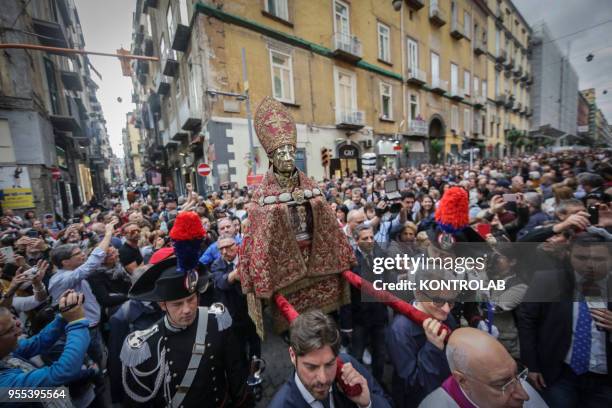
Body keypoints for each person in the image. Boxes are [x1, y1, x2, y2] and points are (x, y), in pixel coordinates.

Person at [121, 256, 253, 407]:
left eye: (191, 299)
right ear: (163, 305)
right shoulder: (146, 345)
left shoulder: (216, 321)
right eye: (177, 304)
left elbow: (236, 373)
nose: (187, 310)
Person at [517, 232, 612, 408]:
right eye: (581, 258)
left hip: (605, 381)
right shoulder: (548, 280)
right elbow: (527, 321)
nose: (590, 265)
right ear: (569, 255)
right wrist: (531, 365)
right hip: (559, 374)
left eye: (599, 259)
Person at [269, 310, 392, 408]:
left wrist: (367, 404)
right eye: (311, 367)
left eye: (329, 364)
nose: (323, 378)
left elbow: (387, 402)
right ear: (292, 355)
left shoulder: (348, 365)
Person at [386, 268, 460, 408]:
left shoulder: (446, 317)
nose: (447, 309)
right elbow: (413, 385)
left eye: (451, 302)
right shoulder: (400, 330)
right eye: (438, 301)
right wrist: (432, 348)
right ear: (420, 294)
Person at [419, 327, 547, 408]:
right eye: (502, 384)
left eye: (518, 374)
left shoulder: (514, 382)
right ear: (463, 381)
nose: (524, 395)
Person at [48, 220, 117, 367]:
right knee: (94, 364)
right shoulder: (63, 279)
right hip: (85, 328)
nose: (83, 255)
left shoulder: (72, 271)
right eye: (78, 254)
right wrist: (108, 234)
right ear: (65, 262)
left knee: (100, 356)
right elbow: (94, 260)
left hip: (93, 324)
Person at [0, 290, 90, 401]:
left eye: (13, 319)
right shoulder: (4, 389)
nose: (18, 323)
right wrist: (77, 322)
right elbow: (62, 372)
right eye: (10, 328)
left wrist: (63, 315)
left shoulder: (6, 352)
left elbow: (38, 341)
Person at [340, 224, 388, 385]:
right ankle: (356, 386)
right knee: (357, 355)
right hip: (359, 319)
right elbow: (345, 294)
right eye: (365, 238)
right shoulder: (350, 262)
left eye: (371, 237)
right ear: (356, 240)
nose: (369, 241)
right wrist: (346, 325)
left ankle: (378, 385)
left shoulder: (381, 256)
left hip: (379, 317)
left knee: (380, 354)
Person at [211, 237, 261, 365]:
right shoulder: (217, 264)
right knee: (238, 349)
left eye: (228, 247)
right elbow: (221, 283)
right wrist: (236, 273)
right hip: (232, 315)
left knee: (255, 344)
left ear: (237, 245)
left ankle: (256, 372)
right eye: (221, 249)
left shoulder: (247, 259)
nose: (224, 252)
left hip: (251, 311)